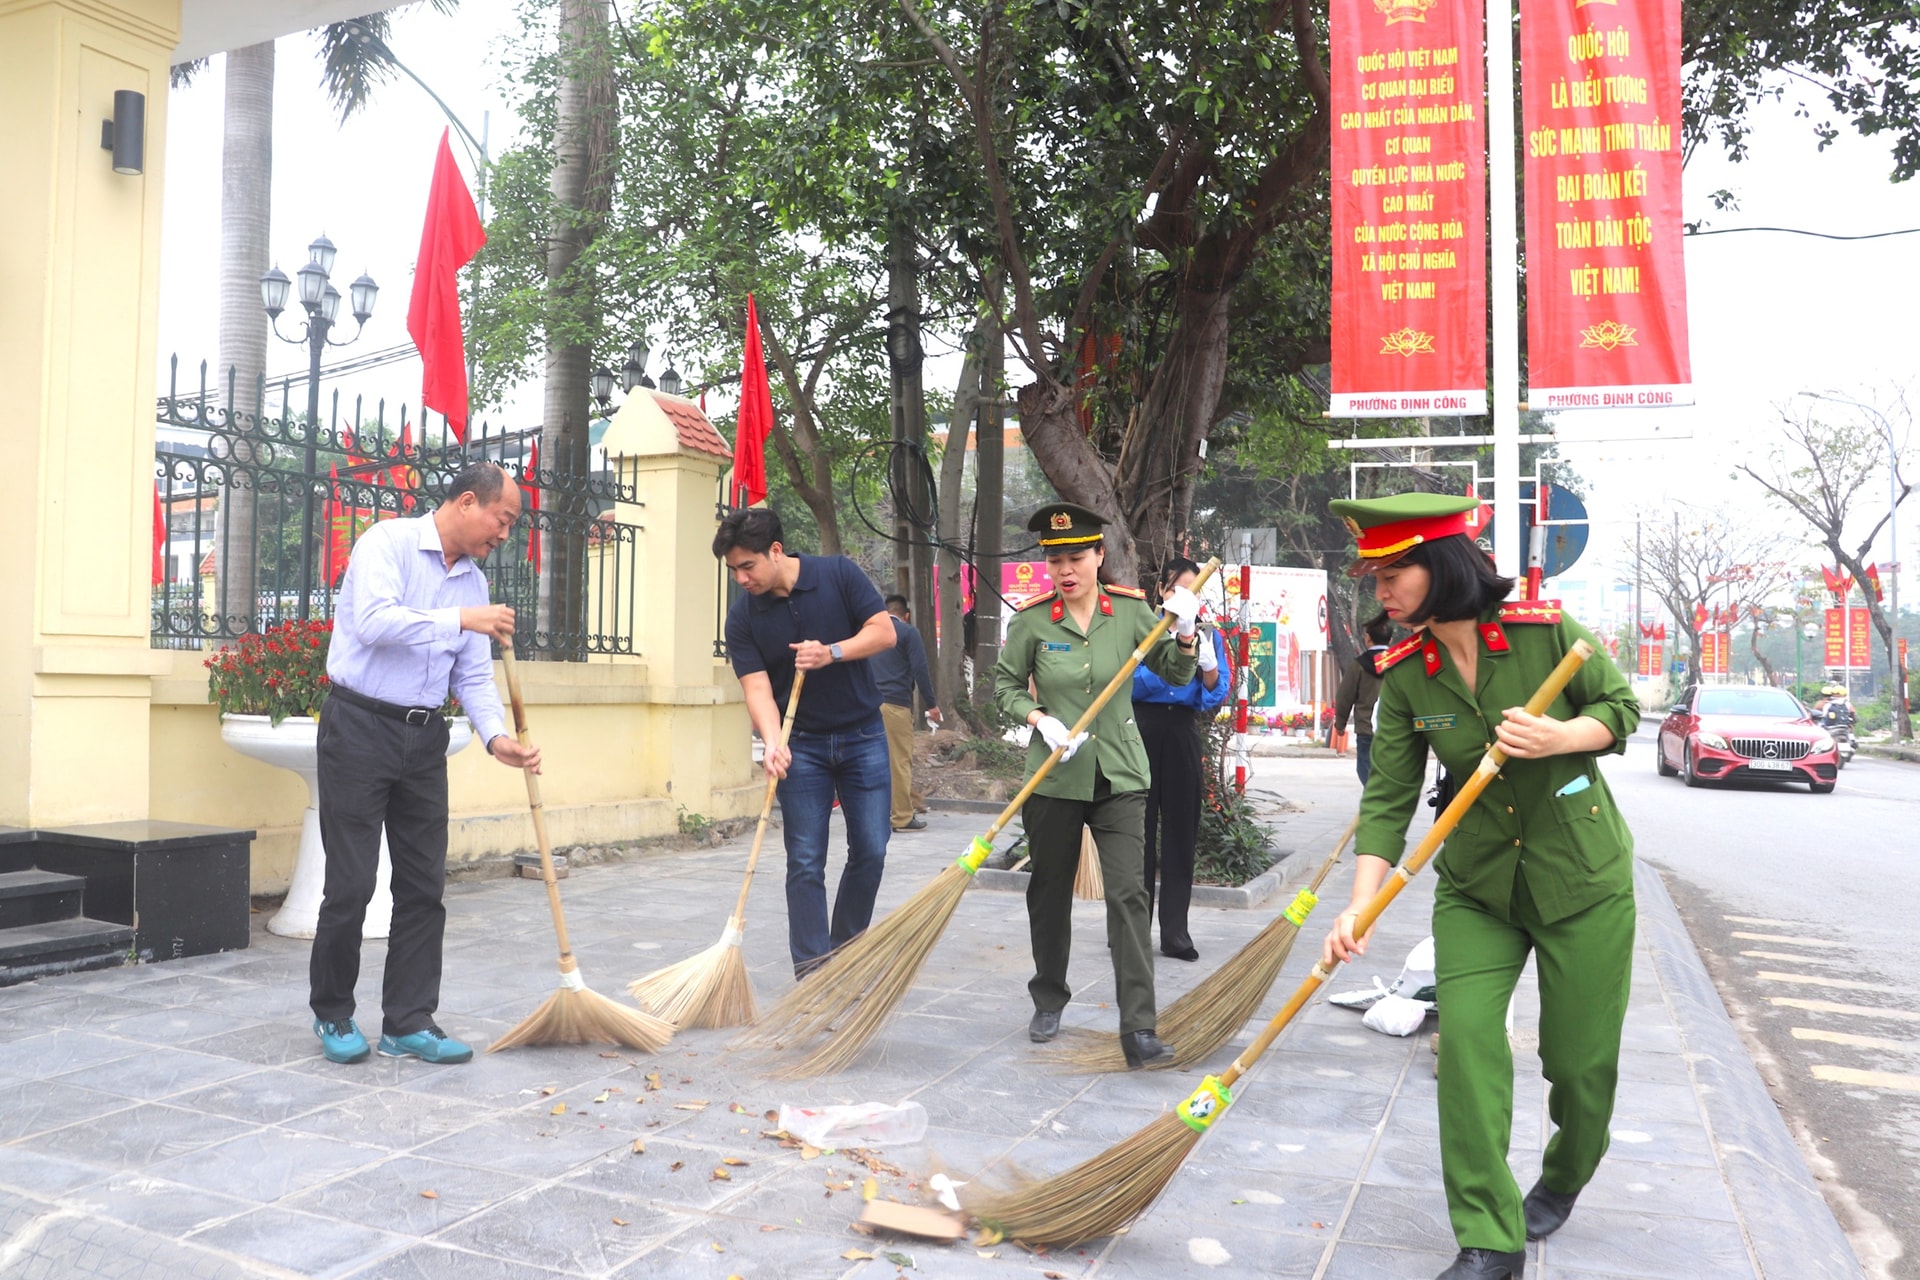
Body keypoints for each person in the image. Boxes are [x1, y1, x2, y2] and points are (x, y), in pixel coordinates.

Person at [1319, 492, 1640, 1280]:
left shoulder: (1546, 634)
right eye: (1376, 578)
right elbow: (1389, 800)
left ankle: (1563, 1178)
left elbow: (1621, 708)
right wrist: (1359, 905)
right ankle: (1490, 1237)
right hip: (1479, 887)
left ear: (1445, 565)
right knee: (1463, 1045)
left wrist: (1562, 735)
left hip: (1582, 880)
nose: (1381, 592)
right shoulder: (1405, 676)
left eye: (1395, 573)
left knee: (1579, 1063)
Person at [310, 461, 542, 1067]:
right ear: (468, 502)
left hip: (423, 738)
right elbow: (375, 622)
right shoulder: (385, 543)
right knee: (352, 884)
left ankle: (408, 1021)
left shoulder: (474, 583)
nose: (505, 534)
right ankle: (333, 1011)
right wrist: (462, 619)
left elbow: (471, 675)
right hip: (359, 726)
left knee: (423, 887)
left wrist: (496, 739)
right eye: (503, 518)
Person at [994, 502, 1199, 1069]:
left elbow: (1178, 675)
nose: (1065, 568)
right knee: (1049, 890)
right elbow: (1005, 687)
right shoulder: (1032, 621)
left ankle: (1139, 1029)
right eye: (1054, 558)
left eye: (1076, 557)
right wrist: (1039, 718)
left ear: (1099, 556)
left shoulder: (1132, 613)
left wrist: (1184, 633)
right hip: (1054, 776)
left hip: (1121, 774)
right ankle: (1048, 997)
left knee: (1130, 894)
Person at [717, 508, 897, 977]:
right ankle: (815, 972)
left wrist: (831, 652)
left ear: (775, 551)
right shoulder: (743, 619)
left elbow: (884, 632)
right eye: (733, 570)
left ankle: (845, 951)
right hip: (803, 748)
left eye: (747, 566)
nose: (741, 578)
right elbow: (757, 687)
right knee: (804, 861)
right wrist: (773, 742)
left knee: (872, 850)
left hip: (863, 734)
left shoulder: (837, 574)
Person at [1130, 556, 1229, 961]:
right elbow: (1132, 681)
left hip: (1183, 731)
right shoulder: (1141, 627)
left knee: (1180, 832)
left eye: (1192, 590)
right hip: (1141, 729)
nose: (1182, 597)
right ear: (1161, 591)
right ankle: (1132, 928)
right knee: (1137, 831)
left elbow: (1215, 692)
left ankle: (1176, 933)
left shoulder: (1210, 635)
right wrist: (1177, 652)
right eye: (1175, 590)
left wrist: (1205, 666)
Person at [871, 594, 941, 832]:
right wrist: (931, 704)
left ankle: (874, 815)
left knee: (871, 760)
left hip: (867, 705)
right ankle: (901, 817)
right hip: (895, 705)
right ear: (906, 615)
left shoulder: (870, 632)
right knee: (899, 761)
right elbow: (920, 668)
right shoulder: (908, 633)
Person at [1333, 612, 1395, 784]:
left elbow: (1345, 696)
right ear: (1390, 640)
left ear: (1368, 639)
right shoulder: (1400, 664)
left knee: (1366, 768)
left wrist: (1340, 723)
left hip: (1366, 729)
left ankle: (1376, 799)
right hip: (1395, 729)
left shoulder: (1358, 666)